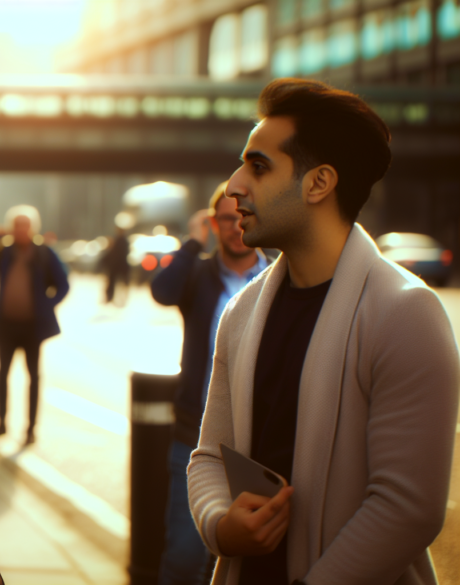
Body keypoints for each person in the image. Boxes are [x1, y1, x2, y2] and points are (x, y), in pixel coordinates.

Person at [188, 79, 460, 585]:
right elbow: (208, 457)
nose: (234, 185)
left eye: (258, 165)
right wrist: (222, 526)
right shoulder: (243, 311)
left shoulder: (406, 312)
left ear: (318, 184)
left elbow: (408, 509)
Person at [151, 182, 268, 585]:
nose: (235, 227)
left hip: (262, 445)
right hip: (195, 437)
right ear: (212, 225)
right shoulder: (197, 275)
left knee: (254, 564)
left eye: (241, 217)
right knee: (184, 557)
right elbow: (161, 290)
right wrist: (191, 242)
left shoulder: (275, 277)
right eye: (224, 219)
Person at [0, 205, 70, 445]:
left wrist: (47, 305)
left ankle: (30, 429)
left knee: (33, 377)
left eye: (25, 226)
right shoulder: (2, 251)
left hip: (33, 327)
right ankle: (2, 423)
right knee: (2, 375)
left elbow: (64, 284)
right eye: (16, 226)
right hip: (6, 325)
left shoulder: (43, 253)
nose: (21, 230)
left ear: (33, 228)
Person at [101, 226, 130, 305]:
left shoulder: (122, 241)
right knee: (113, 283)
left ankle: (119, 299)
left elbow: (119, 254)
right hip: (117, 266)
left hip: (118, 265)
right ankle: (110, 298)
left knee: (120, 283)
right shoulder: (118, 240)